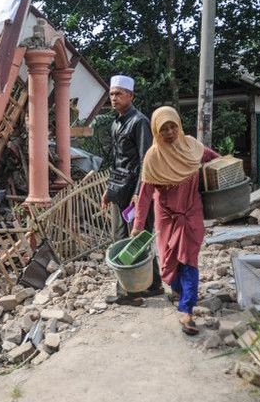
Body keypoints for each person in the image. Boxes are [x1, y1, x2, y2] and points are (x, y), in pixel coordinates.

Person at [131, 106, 220, 335]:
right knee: (168, 264)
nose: (170, 132)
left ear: (179, 125)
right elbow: (145, 196)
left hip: (191, 213)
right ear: (156, 131)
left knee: (189, 259)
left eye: (173, 126)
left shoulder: (191, 145)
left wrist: (232, 169)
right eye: (164, 129)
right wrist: (138, 226)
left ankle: (186, 310)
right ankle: (179, 291)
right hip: (166, 216)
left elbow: (214, 159)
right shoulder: (153, 157)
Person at [100, 74, 163, 306]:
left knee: (134, 239)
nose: (114, 98)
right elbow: (116, 160)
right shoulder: (116, 122)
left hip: (135, 192)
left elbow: (146, 160)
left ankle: (130, 293)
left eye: (118, 94)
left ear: (131, 96)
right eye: (111, 94)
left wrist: (140, 193)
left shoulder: (139, 122)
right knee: (123, 237)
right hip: (119, 189)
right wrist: (108, 190)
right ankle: (152, 285)